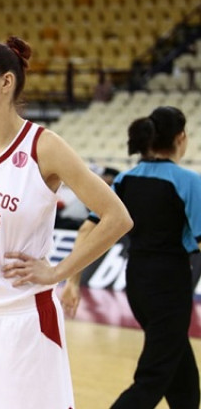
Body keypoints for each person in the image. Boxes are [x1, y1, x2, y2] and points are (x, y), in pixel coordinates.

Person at [0, 36, 132, 408]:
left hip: (23, 318)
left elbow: (117, 217)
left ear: (6, 81)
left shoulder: (44, 146)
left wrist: (58, 272)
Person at [74, 106, 200, 408]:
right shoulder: (188, 181)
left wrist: (71, 281)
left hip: (137, 285)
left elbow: (85, 230)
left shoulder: (124, 180)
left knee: (182, 378)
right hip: (171, 286)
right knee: (153, 377)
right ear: (181, 138)